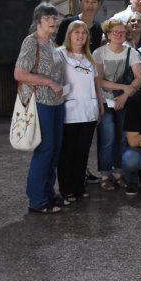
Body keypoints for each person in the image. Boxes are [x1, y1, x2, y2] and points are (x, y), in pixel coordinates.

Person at [14, 2, 66, 214]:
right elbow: (19, 74)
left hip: (56, 102)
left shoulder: (52, 42)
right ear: (37, 22)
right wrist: (50, 83)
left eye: (54, 18)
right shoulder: (31, 42)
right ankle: (36, 200)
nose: (52, 21)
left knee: (54, 150)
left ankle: (48, 193)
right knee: (44, 149)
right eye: (47, 18)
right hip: (40, 102)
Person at [93, 19, 141, 190]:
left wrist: (124, 97)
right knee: (108, 137)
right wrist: (123, 87)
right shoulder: (99, 53)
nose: (119, 35)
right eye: (115, 32)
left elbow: (138, 77)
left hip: (124, 101)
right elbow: (99, 81)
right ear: (108, 34)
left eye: (122, 32)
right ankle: (105, 174)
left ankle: (118, 172)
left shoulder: (132, 53)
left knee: (122, 138)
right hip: (105, 101)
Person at [57, 20, 103, 202]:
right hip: (69, 112)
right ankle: (66, 188)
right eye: (76, 32)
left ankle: (79, 186)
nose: (80, 36)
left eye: (84, 33)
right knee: (67, 152)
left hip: (88, 111)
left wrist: (99, 103)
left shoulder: (89, 58)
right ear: (69, 35)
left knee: (83, 152)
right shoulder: (60, 54)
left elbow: (96, 84)